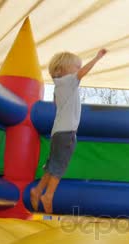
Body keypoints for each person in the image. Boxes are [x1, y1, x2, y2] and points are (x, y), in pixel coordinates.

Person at [30, 48, 108, 214]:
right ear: (61, 70)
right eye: (76, 66)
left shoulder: (59, 87)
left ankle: (38, 190)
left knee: (52, 165)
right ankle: (48, 195)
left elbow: (57, 105)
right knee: (59, 167)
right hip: (66, 132)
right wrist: (97, 58)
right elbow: (83, 73)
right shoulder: (69, 81)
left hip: (58, 132)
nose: (78, 70)